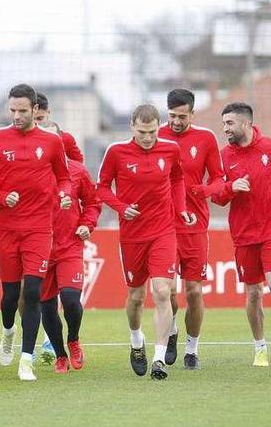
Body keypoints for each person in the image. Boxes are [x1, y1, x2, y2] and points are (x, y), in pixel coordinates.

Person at [0, 83, 71, 381]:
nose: (17, 116)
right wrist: (2, 196)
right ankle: (8, 331)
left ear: (35, 110)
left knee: (32, 292)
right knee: (9, 296)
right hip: (6, 228)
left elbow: (65, 178)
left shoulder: (52, 142)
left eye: (22, 111)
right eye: (12, 110)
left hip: (39, 229)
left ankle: (26, 360)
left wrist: (65, 194)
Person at [97, 104, 195, 380]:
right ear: (132, 126)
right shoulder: (116, 152)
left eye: (152, 132)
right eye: (142, 132)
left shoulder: (170, 149)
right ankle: (137, 341)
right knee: (136, 298)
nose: (148, 138)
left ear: (158, 127)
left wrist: (181, 208)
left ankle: (159, 359)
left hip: (164, 231)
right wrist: (120, 206)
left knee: (163, 291)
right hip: (132, 235)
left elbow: (177, 179)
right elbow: (101, 188)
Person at [157, 89, 224, 369]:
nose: (175, 121)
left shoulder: (205, 138)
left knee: (194, 291)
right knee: (167, 290)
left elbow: (220, 179)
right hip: (163, 226)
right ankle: (170, 332)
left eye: (182, 117)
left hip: (195, 226)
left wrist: (201, 190)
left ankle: (192, 349)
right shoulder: (155, 136)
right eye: (172, 115)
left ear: (192, 114)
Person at [211, 102, 271, 367]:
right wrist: (230, 187)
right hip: (244, 236)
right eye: (224, 123)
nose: (225, 129)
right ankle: (260, 348)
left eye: (230, 123)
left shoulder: (268, 148)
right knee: (253, 293)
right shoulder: (224, 156)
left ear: (246, 123)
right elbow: (216, 196)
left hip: (269, 232)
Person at [38, 124, 101, 373]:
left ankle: (73, 340)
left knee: (71, 300)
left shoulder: (77, 171)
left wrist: (87, 224)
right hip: (39, 249)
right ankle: (60, 354)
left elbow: (93, 203)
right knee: (47, 306)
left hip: (70, 247)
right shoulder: (30, 172)